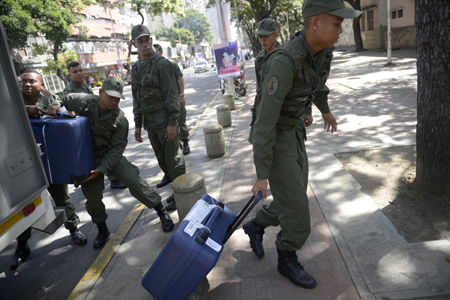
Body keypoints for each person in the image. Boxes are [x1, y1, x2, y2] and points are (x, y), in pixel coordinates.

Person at [243, 0, 361, 289]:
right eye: (336, 23)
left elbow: (317, 84)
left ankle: (256, 224)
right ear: (316, 23)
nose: (340, 29)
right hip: (276, 140)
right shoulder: (284, 60)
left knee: (292, 198)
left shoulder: (321, 51)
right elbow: (263, 123)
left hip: (295, 132)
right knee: (299, 217)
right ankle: (286, 256)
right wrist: (262, 174)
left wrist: (324, 109)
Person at [48, 77, 175, 249]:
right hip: (86, 159)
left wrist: (102, 169)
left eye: (117, 98)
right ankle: (102, 229)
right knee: (93, 199)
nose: (114, 101)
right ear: (101, 92)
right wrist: (54, 105)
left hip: (109, 157)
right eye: (111, 97)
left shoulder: (120, 119)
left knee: (135, 181)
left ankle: (161, 212)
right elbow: (61, 96)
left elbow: (116, 150)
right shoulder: (85, 102)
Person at [10, 70, 87, 271]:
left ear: (40, 83)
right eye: (24, 81)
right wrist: (24, 109)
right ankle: (22, 244)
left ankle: (74, 229)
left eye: (32, 81)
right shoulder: (12, 103)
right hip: (23, 166)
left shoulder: (49, 102)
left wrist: (56, 109)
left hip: (49, 163)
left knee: (62, 198)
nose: (27, 84)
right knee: (23, 207)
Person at [130, 25, 186, 212]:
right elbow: (136, 97)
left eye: (147, 40)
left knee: (174, 160)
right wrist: (137, 124)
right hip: (150, 123)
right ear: (134, 43)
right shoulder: (136, 68)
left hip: (164, 121)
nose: (145, 44)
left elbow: (171, 94)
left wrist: (172, 123)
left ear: (151, 41)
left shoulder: (162, 64)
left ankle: (182, 194)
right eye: (141, 41)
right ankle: (175, 189)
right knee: (162, 159)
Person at [65, 62, 127, 190]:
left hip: (96, 126)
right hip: (86, 131)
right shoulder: (71, 89)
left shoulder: (85, 86)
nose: (79, 73)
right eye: (75, 72)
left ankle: (113, 178)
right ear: (69, 75)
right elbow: (71, 113)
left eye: (80, 70)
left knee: (108, 148)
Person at [153, 44, 190, 156]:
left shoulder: (170, 64)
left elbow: (181, 79)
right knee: (171, 125)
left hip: (176, 98)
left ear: (161, 52)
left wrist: (182, 95)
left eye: (156, 52)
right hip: (164, 102)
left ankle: (185, 142)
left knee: (181, 121)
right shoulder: (153, 68)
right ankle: (177, 145)